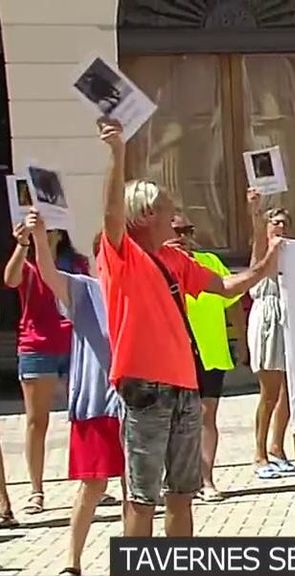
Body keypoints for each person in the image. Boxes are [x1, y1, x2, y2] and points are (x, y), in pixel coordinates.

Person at [96, 119, 280, 538]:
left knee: (182, 492)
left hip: (184, 387)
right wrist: (117, 154)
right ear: (145, 215)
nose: (174, 214)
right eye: (166, 207)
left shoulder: (175, 259)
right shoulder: (121, 254)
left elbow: (224, 287)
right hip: (143, 388)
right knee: (142, 498)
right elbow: (111, 211)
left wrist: (265, 266)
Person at [26, 212, 124, 576]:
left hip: (137, 403)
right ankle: (73, 562)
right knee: (92, 485)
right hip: (97, 402)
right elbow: (48, 275)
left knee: (137, 490)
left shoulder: (137, 292)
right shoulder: (84, 289)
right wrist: (39, 236)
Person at [4, 216, 91, 515]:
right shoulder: (26, 261)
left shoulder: (74, 262)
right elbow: (10, 280)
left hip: (73, 344)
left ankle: (90, 481)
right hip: (37, 346)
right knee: (36, 421)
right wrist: (23, 243)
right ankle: (36, 490)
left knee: (83, 416)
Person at [167, 212, 248, 501]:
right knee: (172, 418)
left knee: (206, 415)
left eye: (187, 230)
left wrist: (243, 340)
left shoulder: (210, 262)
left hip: (210, 350)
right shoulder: (156, 264)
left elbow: (233, 301)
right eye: (177, 230)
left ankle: (206, 479)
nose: (183, 237)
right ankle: (175, 477)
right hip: (173, 353)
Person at [245, 191, 295, 480]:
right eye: (275, 222)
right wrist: (255, 212)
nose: (280, 227)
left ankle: (278, 447)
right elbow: (256, 243)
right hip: (267, 319)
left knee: (288, 392)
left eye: (284, 223)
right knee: (269, 392)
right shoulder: (262, 255)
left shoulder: (292, 257)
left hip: (288, 320)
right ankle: (259, 452)